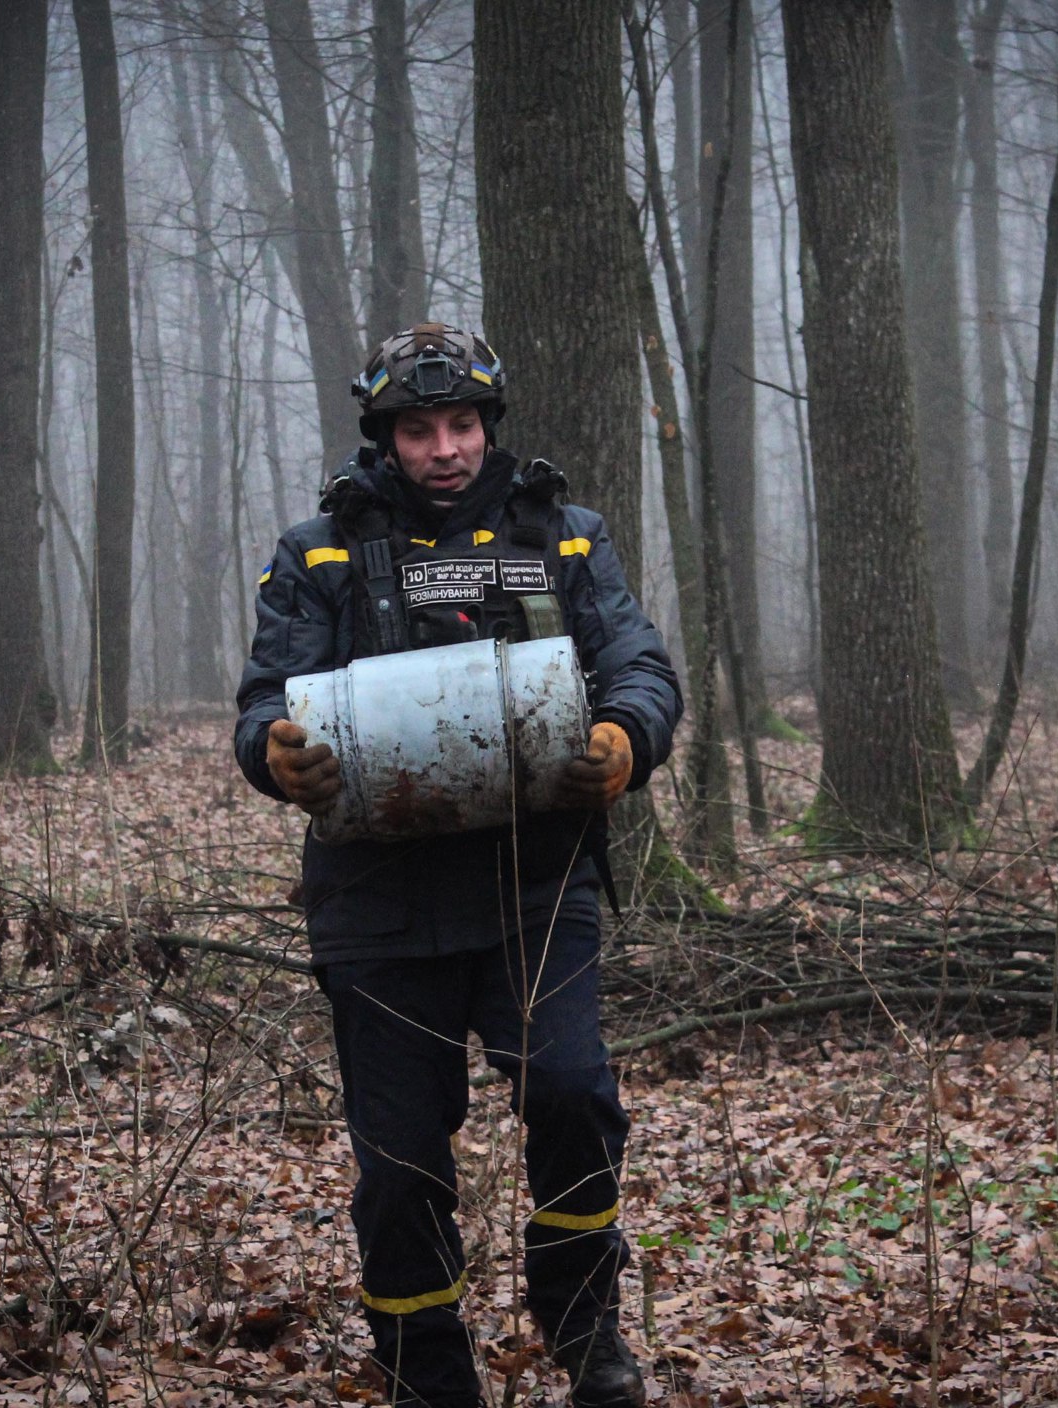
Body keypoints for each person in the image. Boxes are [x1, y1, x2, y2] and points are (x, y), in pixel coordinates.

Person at [233, 323, 681, 1408]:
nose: (444, 447)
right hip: (377, 910)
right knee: (400, 1169)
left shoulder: (563, 535)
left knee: (574, 1095)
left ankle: (584, 1330)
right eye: (419, 428)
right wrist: (276, 756)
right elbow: (262, 705)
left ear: (489, 424)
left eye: (462, 423)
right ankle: (425, 1368)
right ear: (385, 437)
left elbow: (639, 665)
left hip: (534, 891)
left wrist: (624, 738)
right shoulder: (320, 551)